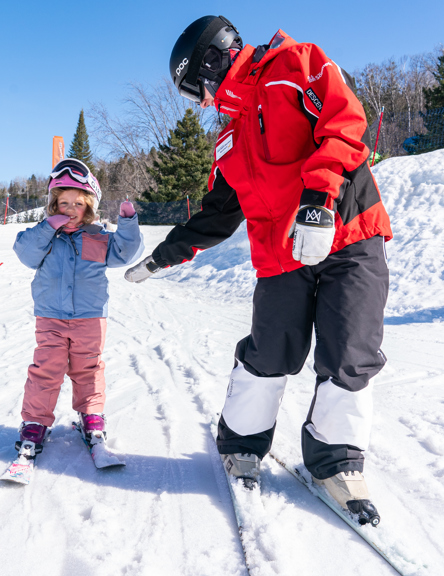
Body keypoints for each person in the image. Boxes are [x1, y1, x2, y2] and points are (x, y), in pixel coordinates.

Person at [125, 16, 392, 525]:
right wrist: (164, 255)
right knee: (270, 353)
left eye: (194, 88)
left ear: (212, 60)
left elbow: (343, 121)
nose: (201, 100)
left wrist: (318, 202)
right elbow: (218, 215)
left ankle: (336, 459)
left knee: (351, 349)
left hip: (348, 233)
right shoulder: (229, 138)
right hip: (280, 258)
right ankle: (242, 442)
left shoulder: (296, 64)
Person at [13, 158, 144, 459]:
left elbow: (124, 253)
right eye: (63, 203)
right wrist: (47, 228)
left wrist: (127, 224)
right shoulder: (46, 237)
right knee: (46, 370)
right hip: (51, 317)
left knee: (88, 369)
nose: (70, 210)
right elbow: (25, 253)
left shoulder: (98, 236)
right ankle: (35, 422)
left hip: (90, 317)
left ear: (89, 208)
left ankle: (92, 417)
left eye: (78, 204)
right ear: (53, 206)